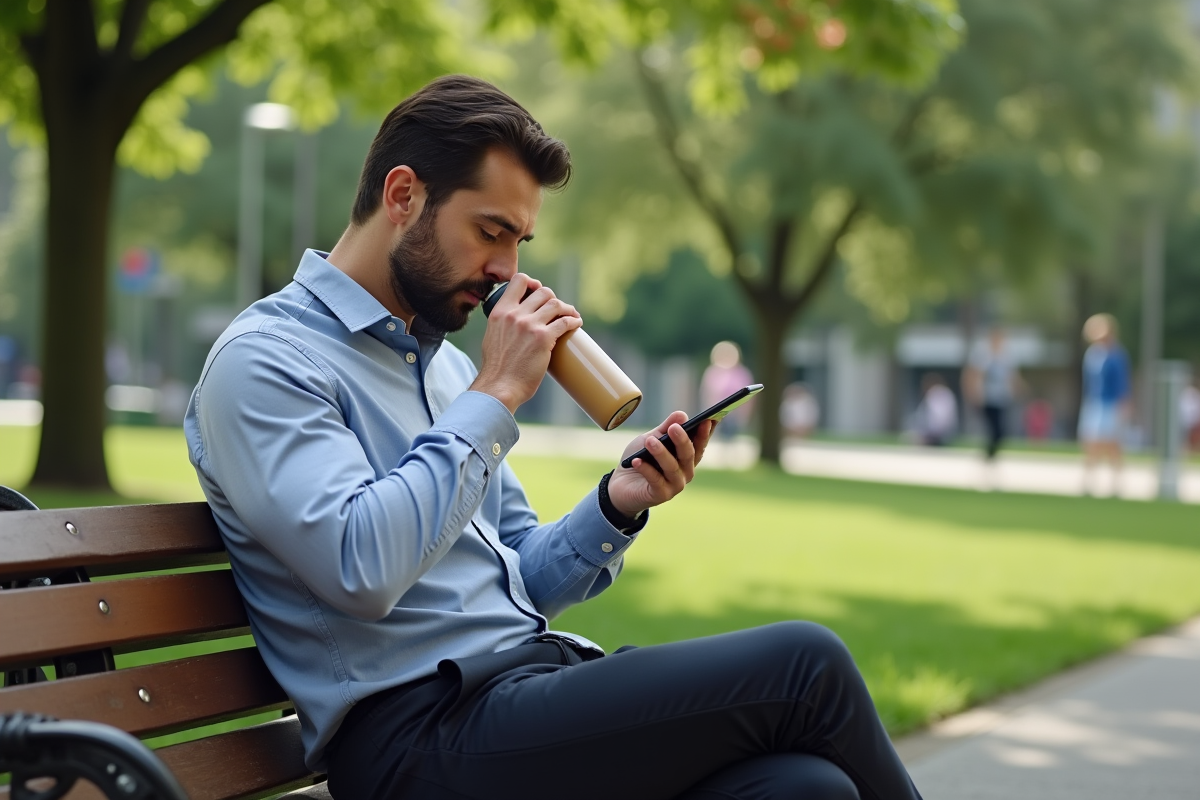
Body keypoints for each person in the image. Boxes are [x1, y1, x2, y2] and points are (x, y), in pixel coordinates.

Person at [185, 76, 921, 800]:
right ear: (402, 196)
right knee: (804, 665)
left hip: (516, 696)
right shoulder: (269, 361)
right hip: (413, 737)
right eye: (490, 232)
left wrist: (616, 505)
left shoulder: (446, 369)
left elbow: (518, 579)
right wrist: (496, 395)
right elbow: (359, 570)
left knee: (804, 786)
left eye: (519, 240)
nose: (506, 270)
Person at [1078, 313, 1131, 495]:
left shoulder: (1117, 354)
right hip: (1094, 402)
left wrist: (1124, 406)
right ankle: (1088, 481)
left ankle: (1116, 483)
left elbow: (1122, 383)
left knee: (1112, 443)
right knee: (1091, 441)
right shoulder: (1092, 354)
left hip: (1111, 403)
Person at [963, 329, 1022, 461]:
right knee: (993, 427)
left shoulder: (1007, 356)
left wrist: (1017, 389)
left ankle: (990, 453)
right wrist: (973, 392)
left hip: (1002, 398)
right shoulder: (983, 355)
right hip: (987, 398)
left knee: (1002, 430)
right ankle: (989, 454)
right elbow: (973, 374)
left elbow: (1012, 376)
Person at [700, 340, 754, 439]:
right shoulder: (712, 373)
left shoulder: (741, 373)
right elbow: (707, 394)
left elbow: (748, 398)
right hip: (717, 413)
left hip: (734, 414)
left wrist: (744, 416)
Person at [913, 373, 957, 447]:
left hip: (937, 433)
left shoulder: (933, 393)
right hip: (946, 431)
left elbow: (935, 418)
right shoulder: (947, 393)